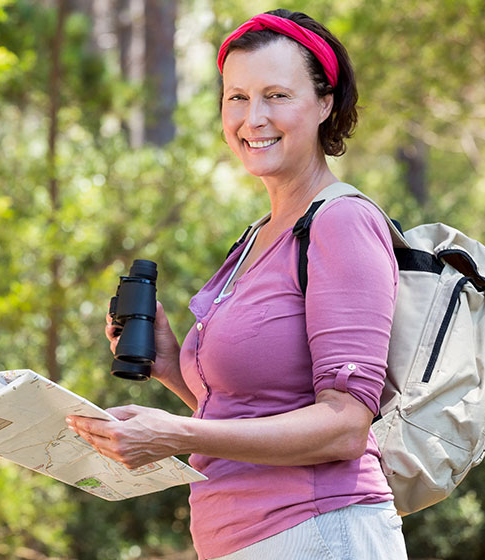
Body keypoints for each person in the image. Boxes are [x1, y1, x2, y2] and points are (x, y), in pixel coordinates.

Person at [66, 9, 407, 560]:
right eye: (237, 97)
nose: (254, 118)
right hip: (238, 538)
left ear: (325, 103)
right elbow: (247, 409)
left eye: (276, 95)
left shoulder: (341, 221)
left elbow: (344, 427)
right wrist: (171, 363)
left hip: (320, 531)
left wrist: (178, 435)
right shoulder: (256, 236)